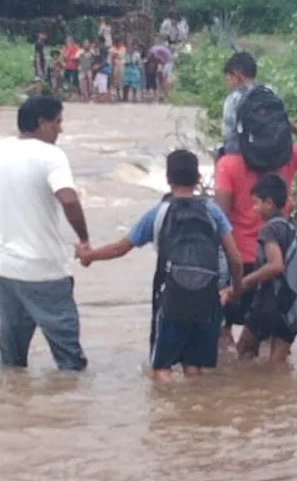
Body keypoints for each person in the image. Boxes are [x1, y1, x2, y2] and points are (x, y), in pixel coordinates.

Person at [78, 150, 245, 382]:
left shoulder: (159, 212)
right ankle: (195, 411)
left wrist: (89, 256)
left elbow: (120, 248)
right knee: (193, 365)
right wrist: (235, 289)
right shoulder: (212, 211)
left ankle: (166, 415)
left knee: (162, 367)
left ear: (168, 179)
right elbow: (235, 258)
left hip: (172, 296)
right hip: (207, 298)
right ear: (198, 179)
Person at [0, 95, 92, 371]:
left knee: (12, 360)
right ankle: (71, 411)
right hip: (46, 271)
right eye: (58, 122)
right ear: (42, 124)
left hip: (7, 271)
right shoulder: (51, 155)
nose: (61, 129)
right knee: (70, 362)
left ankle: (14, 408)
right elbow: (68, 199)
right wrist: (84, 240)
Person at [213, 121, 297, 354]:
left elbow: (221, 216)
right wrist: (293, 127)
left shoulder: (227, 164)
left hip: (240, 263)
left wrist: (233, 283)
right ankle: (275, 388)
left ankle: (236, 385)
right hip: (279, 277)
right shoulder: (288, 158)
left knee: (231, 336)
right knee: (273, 343)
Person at [236, 173, 297, 364]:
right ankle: (278, 394)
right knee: (278, 363)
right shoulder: (290, 228)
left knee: (244, 349)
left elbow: (276, 265)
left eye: (256, 203)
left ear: (269, 203)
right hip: (291, 305)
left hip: (269, 303)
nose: (255, 209)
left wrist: (245, 281)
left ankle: (251, 393)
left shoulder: (268, 230)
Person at [219, 51, 260, 158]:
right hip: (272, 152)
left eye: (229, 76)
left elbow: (227, 135)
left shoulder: (233, 99)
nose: (227, 80)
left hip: (243, 157)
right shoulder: (271, 91)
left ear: (238, 73)